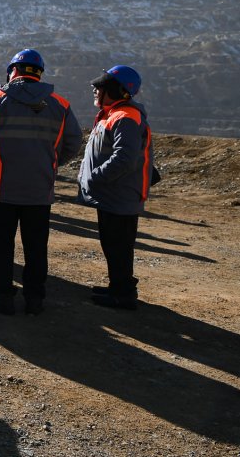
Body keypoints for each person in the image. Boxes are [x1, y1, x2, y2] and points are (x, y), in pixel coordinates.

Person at [0, 49, 82, 316]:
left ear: (12, 71)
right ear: (39, 73)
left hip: (1, 189)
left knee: (3, 245)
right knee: (36, 247)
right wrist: (50, 163)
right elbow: (73, 142)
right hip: (39, 190)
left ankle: (3, 296)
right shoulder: (60, 105)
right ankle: (34, 299)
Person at [78, 65, 155, 310]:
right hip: (113, 194)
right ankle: (118, 286)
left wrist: (96, 176)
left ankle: (123, 294)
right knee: (113, 244)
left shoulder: (125, 117)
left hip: (118, 195)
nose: (95, 90)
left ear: (116, 90)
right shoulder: (114, 114)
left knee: (119, 245)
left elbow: (125, 157)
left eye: (100, 87)